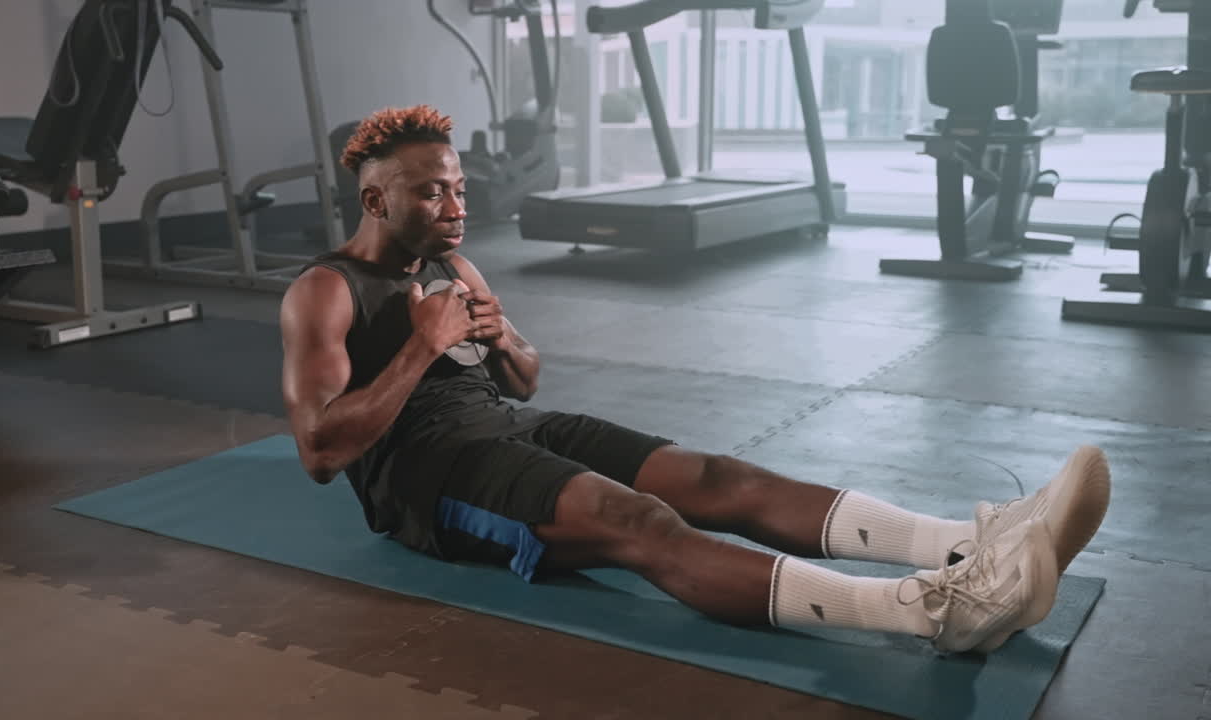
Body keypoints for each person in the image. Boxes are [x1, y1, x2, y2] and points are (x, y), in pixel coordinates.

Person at [279, 105, 1111, 655]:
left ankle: (973, 544)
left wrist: (497, 340)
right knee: (639, 521)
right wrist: (423, 347)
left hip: (506, 427)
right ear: (376, 199)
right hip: (427, 478)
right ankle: (934, 610)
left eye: (460, 188)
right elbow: (320, 452)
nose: (457, 205)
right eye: (434, 192)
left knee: (723, 475)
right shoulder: (325, 289)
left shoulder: (452, 261)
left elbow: (526, 381)